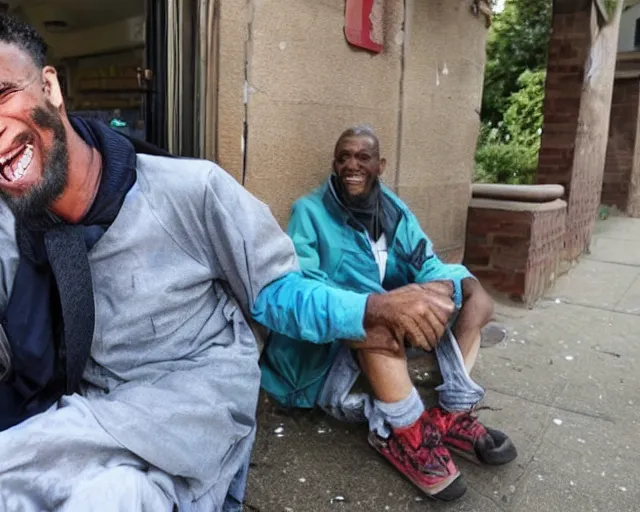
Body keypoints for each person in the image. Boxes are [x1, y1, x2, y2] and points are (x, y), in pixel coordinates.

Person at [0, 18, 464, 511]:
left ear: (49, 86)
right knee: (111, 495)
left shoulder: (191, 191)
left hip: (194, 402)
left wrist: (373, 307)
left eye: (4, 92)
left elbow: (277, 291)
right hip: (101, 412)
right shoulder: (15, 221)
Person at [261, 125, 518, 501]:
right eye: (343, 156)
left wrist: (455, 285)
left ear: (379, 165)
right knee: (377, 321)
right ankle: (408, 435)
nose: (352, 165)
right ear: (334, 163)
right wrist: (378, 306)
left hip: (378, 336)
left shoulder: (393, 211)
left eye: (362, 157)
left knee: (470, 298)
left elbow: (428, 265)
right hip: (322, 357)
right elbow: (302, 292)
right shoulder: (310, 213)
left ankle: (450, 415)